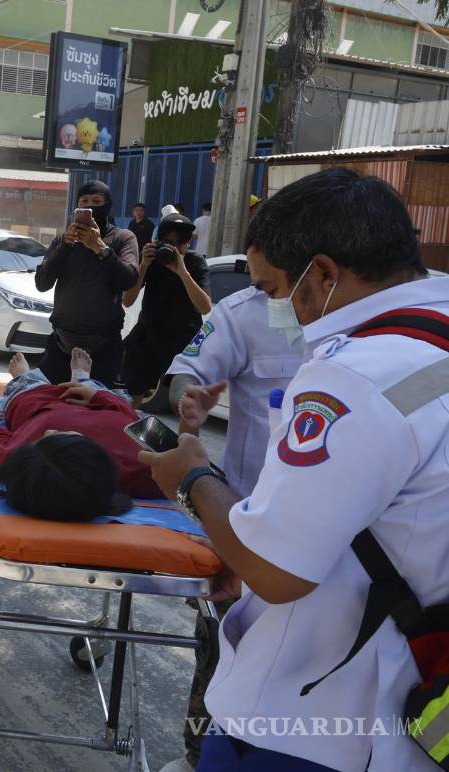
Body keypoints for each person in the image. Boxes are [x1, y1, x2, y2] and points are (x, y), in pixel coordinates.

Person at [139, 167, 447, 771]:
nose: (276, 306)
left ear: (324, 274)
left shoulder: (353, 374)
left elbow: (281, 571)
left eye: (278, 289)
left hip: (313, 721)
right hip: (412, 707)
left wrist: (192, 480)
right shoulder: (432, 340)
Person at [159, 274, 302, 772]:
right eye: (259, 280)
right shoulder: (241, 313)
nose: (268, 291)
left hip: (345, 536)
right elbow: (185, 371)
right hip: (246, 518)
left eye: (273, 278)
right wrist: (187, 398)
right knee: (223, 649)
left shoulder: (376, 327)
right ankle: (197, 754)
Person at [0, 350, 162, 521]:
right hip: (100, 405)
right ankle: (83, 379)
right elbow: (135, 417)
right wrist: (98, 398)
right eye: (60, 436)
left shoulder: (28, 463)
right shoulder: (151, 467)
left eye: (42, 440)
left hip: (39, 405)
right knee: (108, 395)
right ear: (89, 453)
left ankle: (25, 376)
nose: (49, 431)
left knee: (24, 391)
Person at [34, 180, 139, 385]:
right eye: (84, 202)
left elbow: (129, 279)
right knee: (48, 406)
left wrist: (99, 248)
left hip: (104, 348)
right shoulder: (62, 240)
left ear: (107, 205)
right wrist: (64, 246)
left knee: (98, 412)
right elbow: (42, 283)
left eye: (97, 201)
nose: (90, 206)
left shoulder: (123, 238)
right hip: (61, 344)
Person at [121, 211, 212, 404]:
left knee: (187, 403)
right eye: (168, 242)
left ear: (188, 243)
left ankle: (186, 436)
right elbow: (127, 300)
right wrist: (144, 265)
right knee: (132, 393)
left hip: (183, 339)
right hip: (149, 335)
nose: (173, 248)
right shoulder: (152, 260)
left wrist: (182, 271)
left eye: (179, 243)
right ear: (158, 241)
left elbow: (205, 307)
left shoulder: (195, 262)